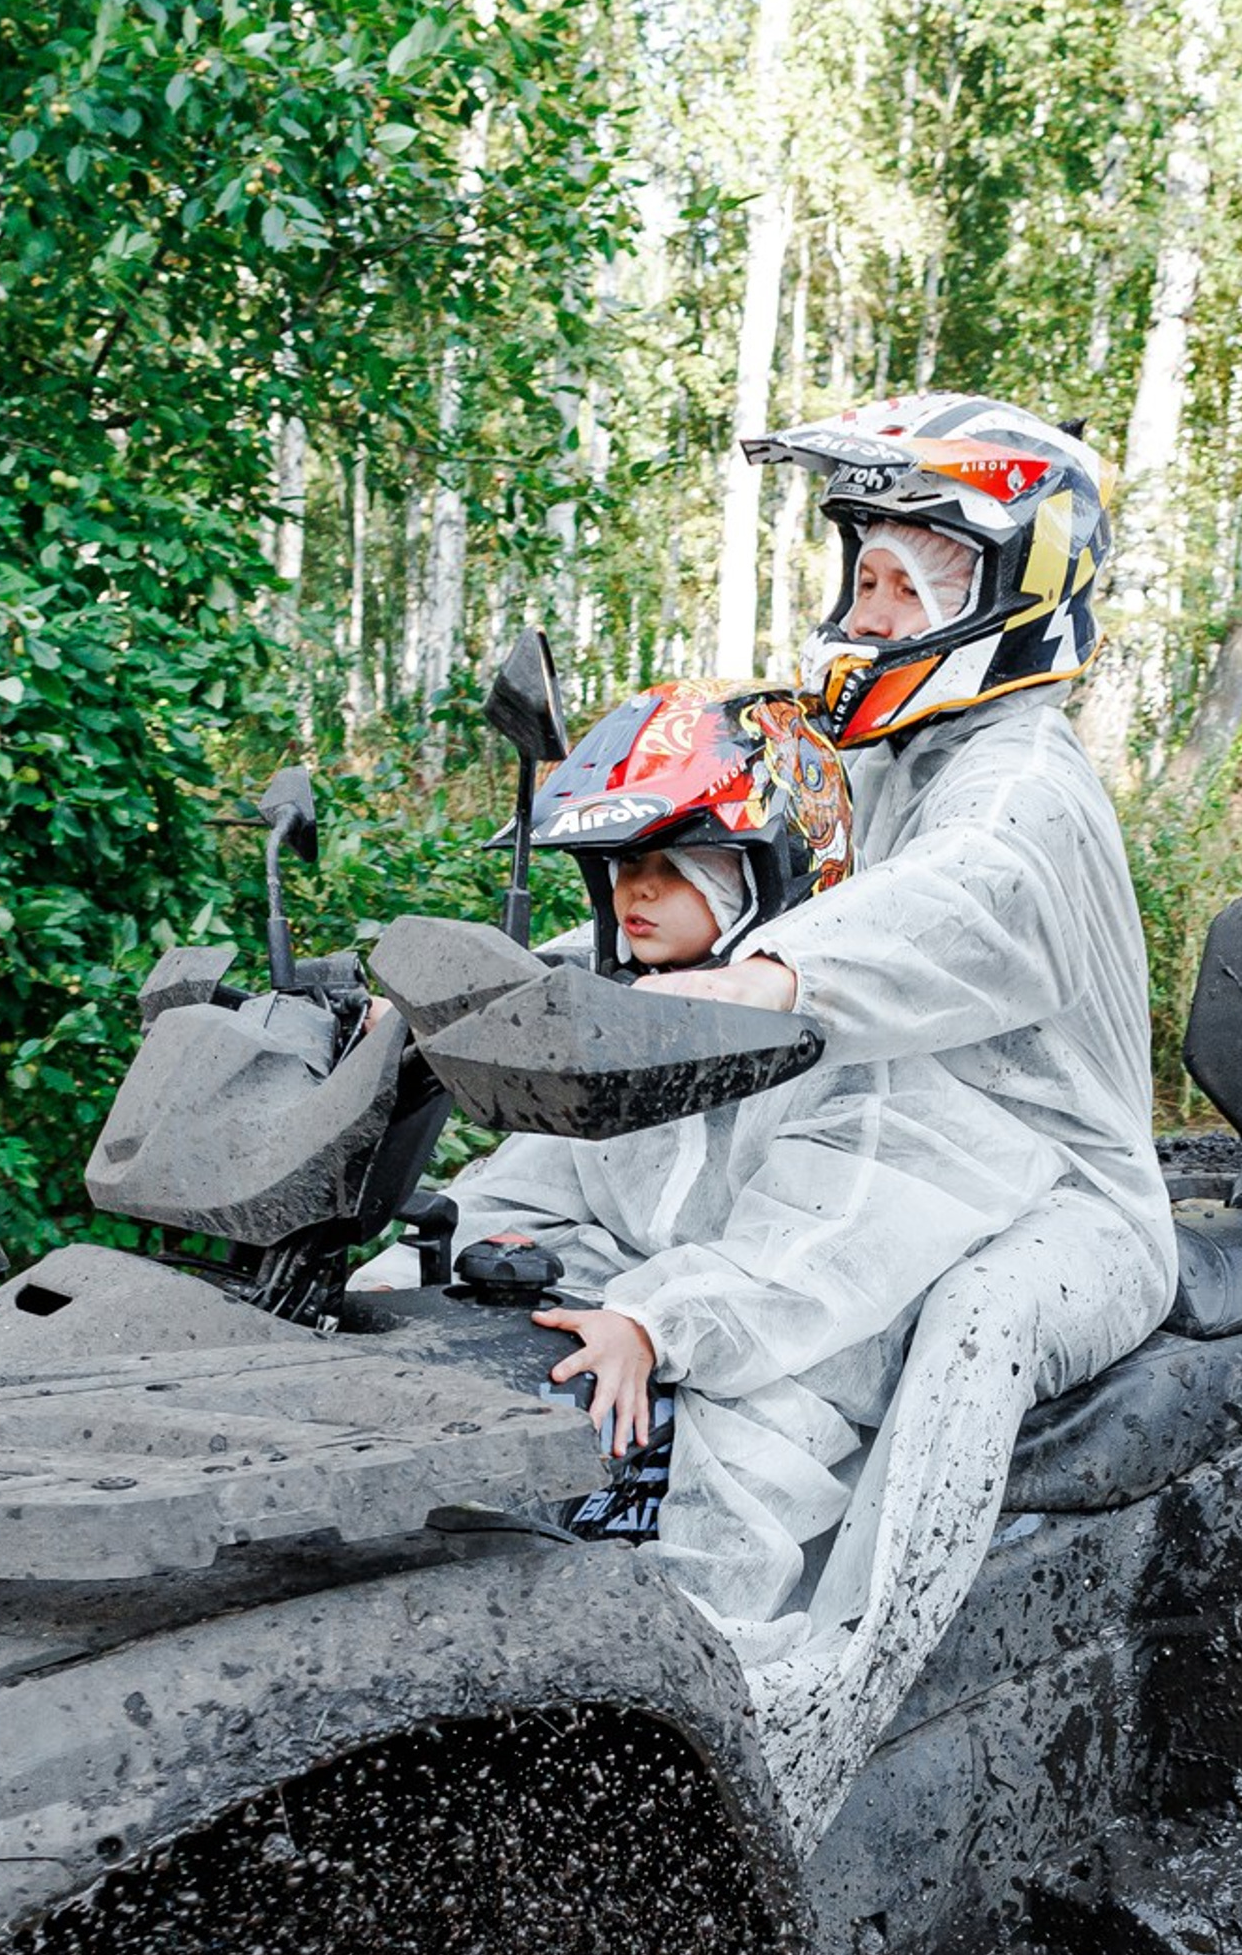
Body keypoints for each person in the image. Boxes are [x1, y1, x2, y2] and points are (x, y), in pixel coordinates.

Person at [632, 394, 1179, 1832]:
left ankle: (814, 1719)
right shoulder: (871, 762)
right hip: (907, 1158)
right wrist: (497, 991)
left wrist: (771, 978)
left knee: (974, 1323)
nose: (866, 613)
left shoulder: (1025, 795)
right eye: (861, 576)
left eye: (904, 584)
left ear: (1004, 594)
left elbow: (947, 913)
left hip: (1062, 1199)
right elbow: (722, 886)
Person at [443, 680, 1068, 1627]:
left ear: (765, 870)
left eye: (672, 863)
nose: (634, 891)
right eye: (619, 865)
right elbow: (532, 1188)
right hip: (688, 1324)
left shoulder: (854, 1068)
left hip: (793, 1364)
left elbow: (810, 1262)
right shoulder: (643, 1027)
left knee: (740, 1494)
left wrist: (653, 1323)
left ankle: (705, 1691)